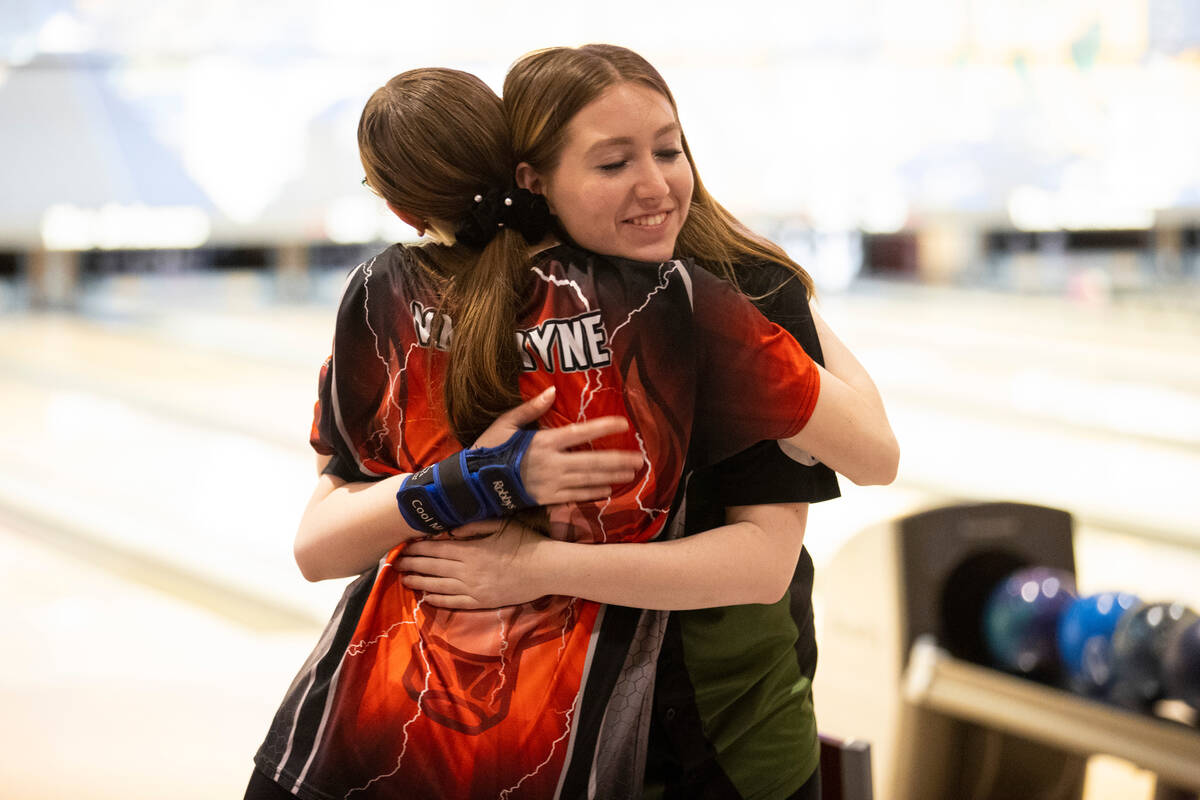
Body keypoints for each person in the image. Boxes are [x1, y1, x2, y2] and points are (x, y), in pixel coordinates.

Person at [247, 63, 896, 800]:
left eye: (669, 149)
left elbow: (803, 523)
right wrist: (470, 490)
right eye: (614, 162)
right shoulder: (430, 303)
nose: (652, 182)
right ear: (532, 182)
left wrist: (531, 565)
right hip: (534, 741)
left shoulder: (725, 298)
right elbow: (321, 541)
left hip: (721, 727)